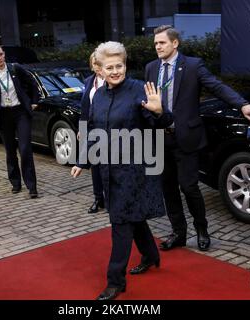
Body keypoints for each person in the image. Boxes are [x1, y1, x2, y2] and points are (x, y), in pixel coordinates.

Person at [145, 25, 250, 252]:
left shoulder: (192, 65)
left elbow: (217, 87)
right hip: (160, 140)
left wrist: (242, 105)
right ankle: (178, 233)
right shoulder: (151, 68)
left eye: (161, 42)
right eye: (155, 44)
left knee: (189, 188)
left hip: (186, 139)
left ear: (175, 43)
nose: (157, 47)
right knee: (167, 189)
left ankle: (202, 230)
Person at [71, 41, 174, 300]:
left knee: (120, 221)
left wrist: (160, 111)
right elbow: (94, 131)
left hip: (136, 169)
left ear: (125, 65)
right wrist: (82, 160)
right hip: (109, 169)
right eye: (110, 67)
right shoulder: (100, 95)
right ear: (100, 70)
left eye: (120, 66)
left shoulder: (140, 89)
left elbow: (161, 122)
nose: (116, 71)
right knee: (133, 216)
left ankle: (115, 281)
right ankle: (151, 255)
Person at [0, 44, 40, 198]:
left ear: (4, 54)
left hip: (20, 113)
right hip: (3, 115)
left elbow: (32, 82)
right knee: (10, 150)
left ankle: (32, 187)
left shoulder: (15, 68)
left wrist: (34, 101)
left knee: (25, 149)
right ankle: (15, 182)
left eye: (1, 54)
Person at [80, 51, 105, 213]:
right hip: (93, 130)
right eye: (94, 64)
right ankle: (98, 198)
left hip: (111, 130)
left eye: (99, 64)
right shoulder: (89, 81)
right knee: (95, 166)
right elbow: (84, 107)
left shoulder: (112, 81)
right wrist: (81, 128)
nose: (97, 67)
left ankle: (110, 198)